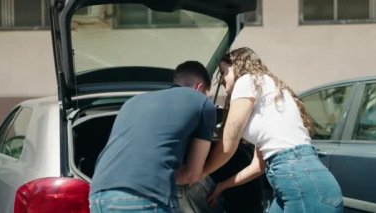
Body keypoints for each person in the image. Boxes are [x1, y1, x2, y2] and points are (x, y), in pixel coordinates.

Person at [203, 47, 343, 212]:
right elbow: (258, 166)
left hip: (300, 182)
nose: (221, 80)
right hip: (304, 180)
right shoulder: (269, 91)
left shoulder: (247, 81)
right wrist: (223, 185)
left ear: (237, 65)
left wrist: (198, 174)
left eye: (223, 71)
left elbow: (228, 143)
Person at [89, 61, 217, 213]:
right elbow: (192, 174)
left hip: (99, 196)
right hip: (145, 197)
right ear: (199, 87)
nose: (206, 97)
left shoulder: (131, 102)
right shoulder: (202, 102)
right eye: (206, 93)